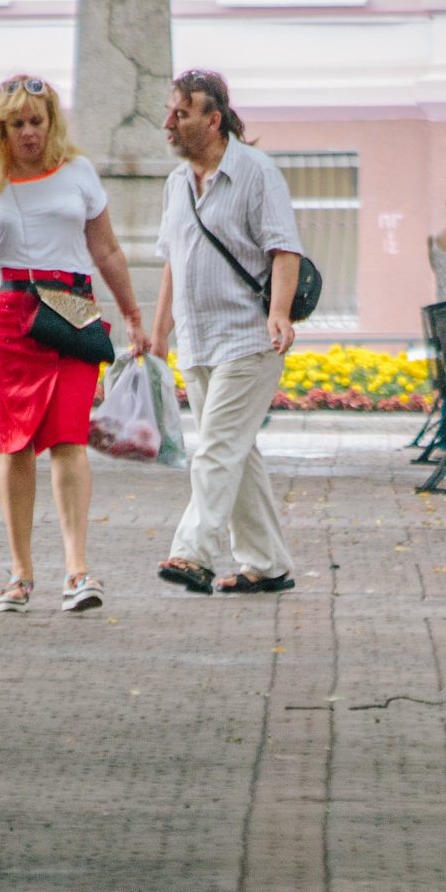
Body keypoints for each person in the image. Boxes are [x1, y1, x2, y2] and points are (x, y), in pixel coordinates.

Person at [0, 75, 145, 614]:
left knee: (70, 439)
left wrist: (133, 315)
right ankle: (21, 572)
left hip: (72, 310)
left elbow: (108, 250)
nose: (29, 133)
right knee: (16, 444)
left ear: (52, 122)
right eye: (16, 124)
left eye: (37, 121)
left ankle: (78, 571)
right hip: (7, 313)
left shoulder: (78, 172)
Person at [149, 69, 307, 597]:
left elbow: (285, 248)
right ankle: (268, 563)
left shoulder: (257, 172)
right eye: (170, 112)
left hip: (247, 339)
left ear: (213, 120)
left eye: (182, 113)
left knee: (215, 448)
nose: (169, 122)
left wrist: (279, 313)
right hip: (198, 342)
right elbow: (173, 261)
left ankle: (192, 553)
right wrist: (159, 333)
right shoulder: (176, 184)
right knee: (237, 453)